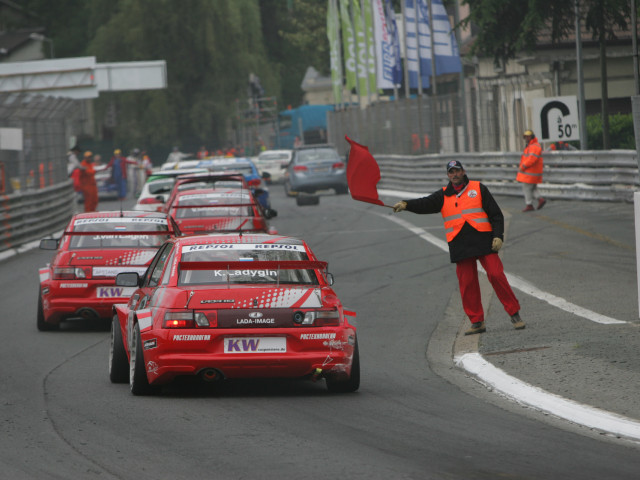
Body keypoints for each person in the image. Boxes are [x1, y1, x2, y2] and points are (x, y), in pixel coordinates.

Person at [392, 160, 525, 335]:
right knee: (467, 283)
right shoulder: (442, 195)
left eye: (457, 171)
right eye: (451, 172)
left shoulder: (479, 188)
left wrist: (498, 236)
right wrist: (407, 205)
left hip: (484, 240)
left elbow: (496, 215)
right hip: (460, 244)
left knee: (496, 274)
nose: (454, 174)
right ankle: (477, 321)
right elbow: (425, 203)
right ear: (448, 175)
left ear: (463, 171)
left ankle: (514, 314)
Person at [517, 130, 546, 212]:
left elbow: (531, 159)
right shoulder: (531, 146)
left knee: (526, 188)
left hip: (531, 173)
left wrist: (523, 166)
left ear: (532, 136)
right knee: (532, 188)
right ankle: (540, 199)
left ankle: (529, 204)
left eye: (528, 136)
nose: (526, 138)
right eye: (525, 137)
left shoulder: (534, 146)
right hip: (532, 173)